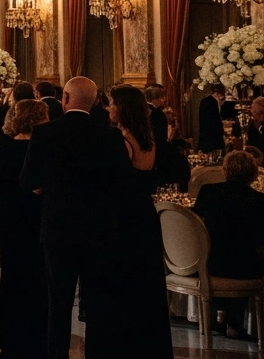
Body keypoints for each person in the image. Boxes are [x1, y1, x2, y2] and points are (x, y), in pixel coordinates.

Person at [21, 76, 133, 359]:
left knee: (58, 302)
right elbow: (123, 184)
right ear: (96, 101)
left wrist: (47, 187)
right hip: (100, 231)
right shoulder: (110, 136)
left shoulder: (45, 133)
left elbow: (28, 181)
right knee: (97, 304)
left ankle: (57, 355)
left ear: (65, 99)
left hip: (58, 229)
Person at [103, 85, 173, 356]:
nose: (109, 108)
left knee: (126, 281)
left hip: (124, 217)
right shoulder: (148, 139)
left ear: (123, 108)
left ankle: (127, 343)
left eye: (112, 104)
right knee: (146, 281)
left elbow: (114, 183)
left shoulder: (123, 141)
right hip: (145, 214)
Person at [0, 97, 47, 359]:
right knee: (39, 285)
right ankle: (39, 340)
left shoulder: (3, 151)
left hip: (12, 226)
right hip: (38, 224)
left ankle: (12, 340)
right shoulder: (44, 149)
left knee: (12, 284)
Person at [193, 149, 264, 337]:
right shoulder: (261, 201)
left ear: (225, 170)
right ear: (254, 174)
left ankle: (217, 316)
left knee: (223, 250)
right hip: (244, 267)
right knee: (249, 255)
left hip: (211, 263)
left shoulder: (208, 192)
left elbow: (195, 224)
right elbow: (261, 239)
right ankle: (236, 321)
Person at [197, 83, 228, 153]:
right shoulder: (210, 103)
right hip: (211, 143)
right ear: (217, 93)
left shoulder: (205, 101)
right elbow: (211, 125)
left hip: (207, 142)